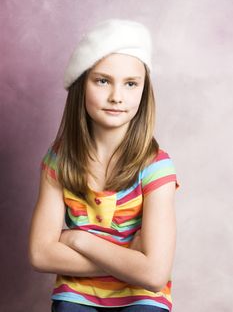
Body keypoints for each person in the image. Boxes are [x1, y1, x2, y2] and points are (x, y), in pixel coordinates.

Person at [28, 18, 180, 312]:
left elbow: (153, 274)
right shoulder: (58, 161)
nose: (116, 97)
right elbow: (40, 255)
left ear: (143, 91)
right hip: (77, 293)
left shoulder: (157, 167)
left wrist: (77, 239)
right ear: (80, 85)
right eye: (102, 80)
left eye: (131, 84)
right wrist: (129, 261)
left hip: (142, 297)